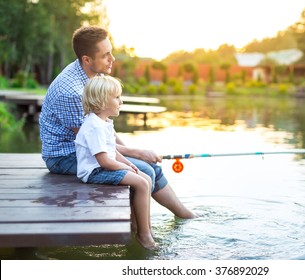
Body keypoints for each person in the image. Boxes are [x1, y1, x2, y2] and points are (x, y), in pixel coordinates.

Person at [39, 25, 197, 219]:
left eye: (111, 53)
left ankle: (182, 214)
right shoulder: (72, 93)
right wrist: (137, 153)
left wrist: (133, 152)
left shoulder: (92, 74)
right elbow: (93, 141)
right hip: (64, 156)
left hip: (90, 147)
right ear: (87, 59)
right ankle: (140, 230)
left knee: (149, 167)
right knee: (144, 169)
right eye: (106, 55)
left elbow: (104, 131)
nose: (112, 59)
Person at [75, 75, 156, 249]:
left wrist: (130, 164)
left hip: (104, 166)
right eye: (117, 97)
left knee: (146, 179)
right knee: (141, 184)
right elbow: (104, 161)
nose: (121, 101)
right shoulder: (94, 126)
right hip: (94, 172)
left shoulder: (104, 123)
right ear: (103, 101)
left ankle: (143, 226)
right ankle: (143, 235)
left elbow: (112, 150)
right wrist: (127, 167)